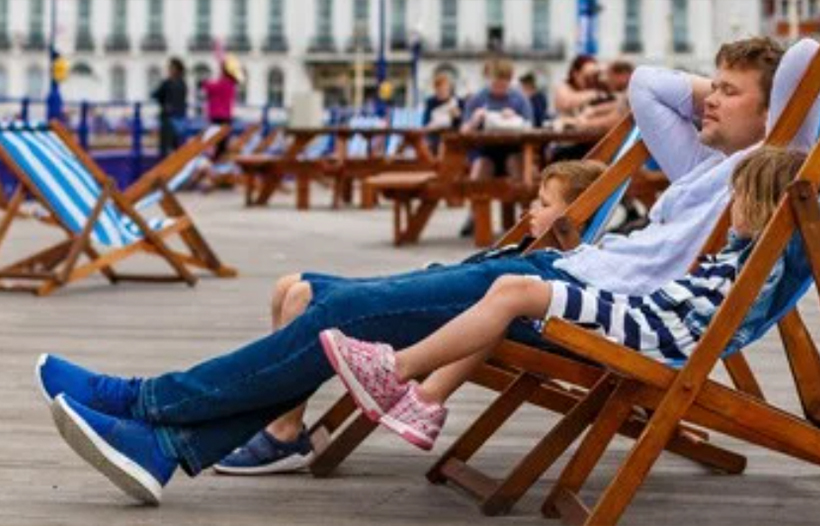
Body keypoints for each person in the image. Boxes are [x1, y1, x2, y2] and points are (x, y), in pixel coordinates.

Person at [35, 37, 818, 506]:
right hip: (558, 268)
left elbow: (809, 61)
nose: (707, 100)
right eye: (709, 88)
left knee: (341, 311)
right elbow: (648, 82)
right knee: (334, 300)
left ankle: (151, 415)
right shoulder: (704, 169)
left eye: (728, 92)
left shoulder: (772, 165)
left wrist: (769, 111)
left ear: (779, 111)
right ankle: (164, 437)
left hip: (574, 298)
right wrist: (722, 96)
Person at [319, 146, 807, 449]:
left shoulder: (771, 254)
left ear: (765, 204)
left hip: (656, 333)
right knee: (509, 294)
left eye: (741, 197)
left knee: (512, 292)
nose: (733, 206)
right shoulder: (748, 251)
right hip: (648, 320)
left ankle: (398, 372)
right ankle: (420, 399)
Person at [212, 159, 607, 475]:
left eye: (543, 203)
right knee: (287, 286)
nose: (531, 209)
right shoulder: (529, 252)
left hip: (431, 321)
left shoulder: (550, 276)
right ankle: (282, 423)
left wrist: (568, 239)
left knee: (299, 296)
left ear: (574, 217)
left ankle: (284, 433)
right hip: (423, 297)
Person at [460, 58, 534, 236]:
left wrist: (516, 118)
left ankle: (525, 220)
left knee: (519, 171)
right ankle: (473, 216)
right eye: (496, 84)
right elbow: (463, 131)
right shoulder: (478, 98)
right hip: (486, 151)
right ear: (489, 79)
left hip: (512, 150)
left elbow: (531, 127)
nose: (499, 89)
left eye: (503, 85)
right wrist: (475, 119)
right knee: (479, 170)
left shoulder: (519, 98)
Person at [151, 57, 188, 159]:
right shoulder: (183, 83)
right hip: (179, 118)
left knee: (166, 147)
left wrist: (163, 102)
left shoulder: (168, 83)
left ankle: (166, 170)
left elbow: (156, 95)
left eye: (171, 67)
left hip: (168, 118)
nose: (169, 70)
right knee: (177, 146)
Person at [422, 72, 463, 154]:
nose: (441, 92)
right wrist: (431, 125)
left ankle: (439, 166)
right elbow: (425, 123)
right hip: (434, 134)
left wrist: (458, 116)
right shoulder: (431, 102)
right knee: (425, 145)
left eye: (444, 89)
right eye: (439, 90)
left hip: (452, 135)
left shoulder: (458, 102)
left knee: (443, 144)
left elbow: (461, 124)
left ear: (449, 89)